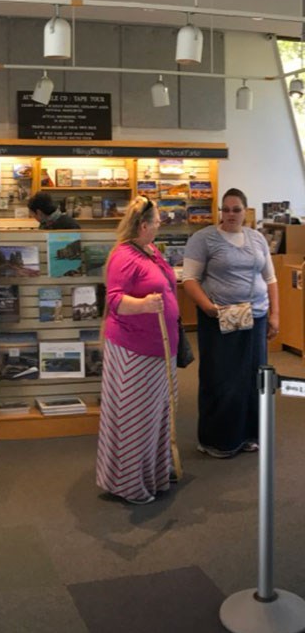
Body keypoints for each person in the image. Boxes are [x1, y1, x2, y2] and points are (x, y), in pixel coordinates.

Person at [96, 196, 180, 505]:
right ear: (143, 225)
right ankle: (130, 483)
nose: (160, 224)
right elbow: (115, 299)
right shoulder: (123, 255)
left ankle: (154, 475)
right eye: (157, 221)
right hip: (136, 351)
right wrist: (144, 304)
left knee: (156, 417)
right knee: (136, 419)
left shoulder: (150, 250)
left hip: (160, 348)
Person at [181, 187, 277, 458]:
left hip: (255, 317)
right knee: (222, 378)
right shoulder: (204, 238)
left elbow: (271, 279)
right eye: (227, 209)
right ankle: (219, 440)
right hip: (220, 318)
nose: (231, 214)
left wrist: (275, 314)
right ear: (220, 211)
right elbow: (189, 279)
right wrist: (208, 307)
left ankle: (249, 435)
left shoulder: (257, 238)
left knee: (251, 378)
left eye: (237, 209)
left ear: (245, 212)